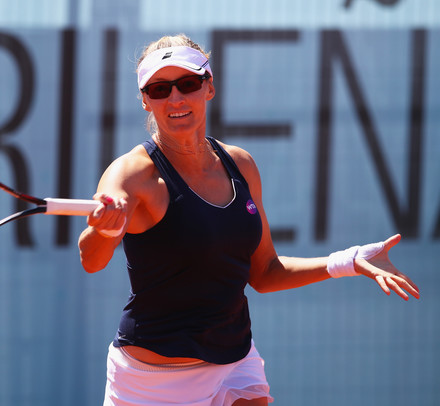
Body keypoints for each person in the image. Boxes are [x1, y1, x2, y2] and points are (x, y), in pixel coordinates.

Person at [77, 34, 420, 406]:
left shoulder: (240, 164)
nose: (175, 99)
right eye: (160, 89)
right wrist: (106, 228)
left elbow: (265, 272)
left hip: (236, 359)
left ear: (208, 87)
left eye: (188, 84)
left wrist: (349, 261)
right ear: (145, 99)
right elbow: (91, 259)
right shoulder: (131, 174)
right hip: (154, 382)